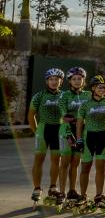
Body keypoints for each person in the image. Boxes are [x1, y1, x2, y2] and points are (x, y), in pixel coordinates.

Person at [75, 75, 105, 212]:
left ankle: (98, 195)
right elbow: (79, 123)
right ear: (93, 88)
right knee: (85, 168)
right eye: (100, 87)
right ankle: (83, 195)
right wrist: (78, 139)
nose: (102, 90)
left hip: (103, 136)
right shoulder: (85, 104)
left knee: (100, 168)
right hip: (88, 137)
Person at [29, 68, 65, 206]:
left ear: (61, 82)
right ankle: (37, 188)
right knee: (39, 159)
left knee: (56, 160)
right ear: (47, 81)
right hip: (43, 129)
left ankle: (53, 186)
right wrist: (36, 131)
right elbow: (30, 115)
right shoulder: (39, 96)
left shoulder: (64, 96)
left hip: (58, 130)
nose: (54, 82)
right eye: (51, 79)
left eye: (57, 80)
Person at [57, 67, 89, 210]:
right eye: (74, 79)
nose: (77, 81)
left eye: (79, 78)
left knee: (75, 162)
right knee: (65, 162)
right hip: (67, 132)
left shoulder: (88, 95)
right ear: (69, 81)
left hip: (81, 132)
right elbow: (64, 115)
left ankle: (72, 190)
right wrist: (73, 120)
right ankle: (62, 192)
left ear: (83, 80)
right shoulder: (64, 95)